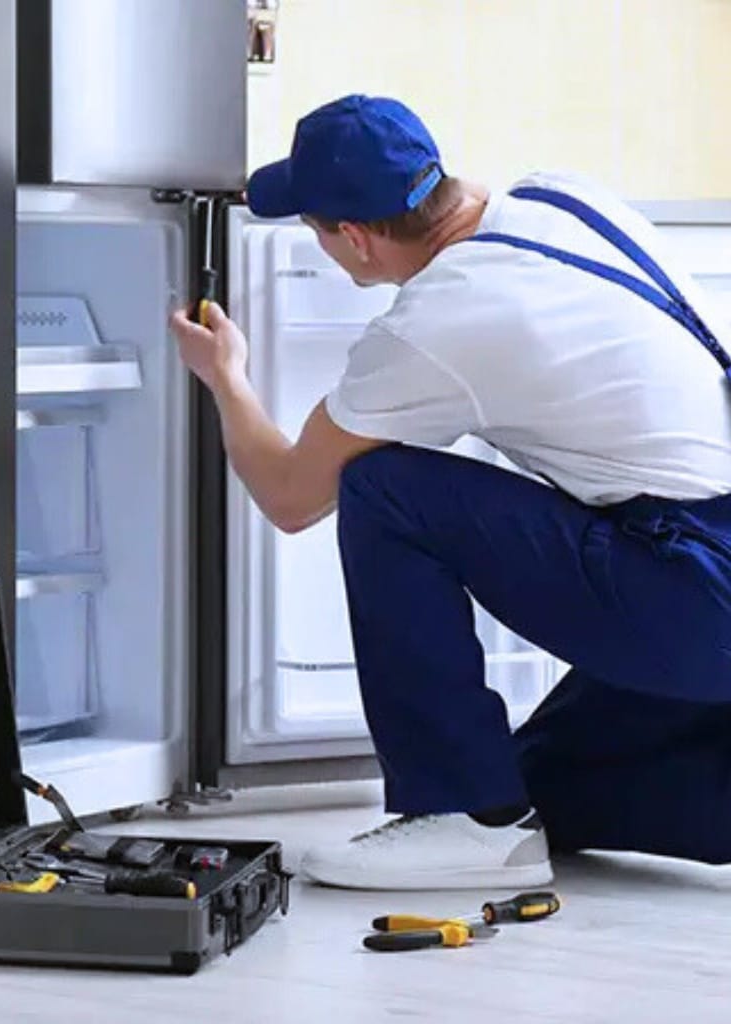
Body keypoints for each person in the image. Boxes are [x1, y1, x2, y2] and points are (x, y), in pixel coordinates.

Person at [169, 94, 731, 891]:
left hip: (702, 590)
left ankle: (466, 818)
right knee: (541, 787)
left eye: (316, 230)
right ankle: (505, 813)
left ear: (355, 239)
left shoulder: (435, 323)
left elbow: (292, 497)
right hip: (701, 567)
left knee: (384, 488)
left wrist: (226, 378)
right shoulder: (560, 197)